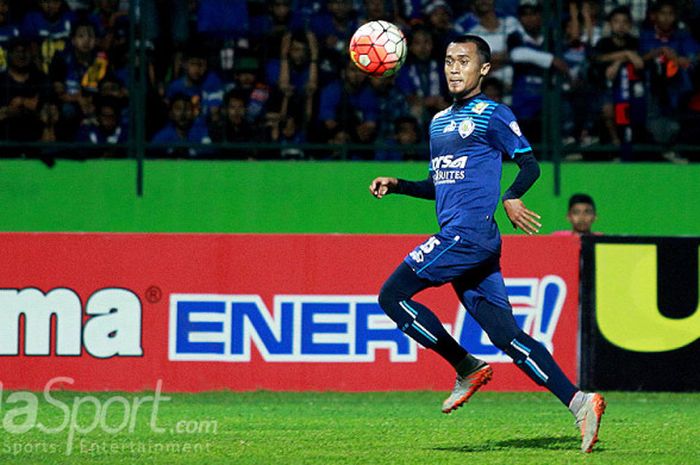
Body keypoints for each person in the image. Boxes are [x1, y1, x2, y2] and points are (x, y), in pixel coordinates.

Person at [369, 34, 605, 454]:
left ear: (483, 69)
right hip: (471, 243)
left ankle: (466, 367)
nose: (453, 67)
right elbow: (439, 185)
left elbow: (528, 164)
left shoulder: (493, 115)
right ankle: (580, 402)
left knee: (392, 295)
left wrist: (511, 196)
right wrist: (399, 185)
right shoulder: (439, 122)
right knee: (507, 336)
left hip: (467, 235)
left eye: (463, 60)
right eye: (447, 60)